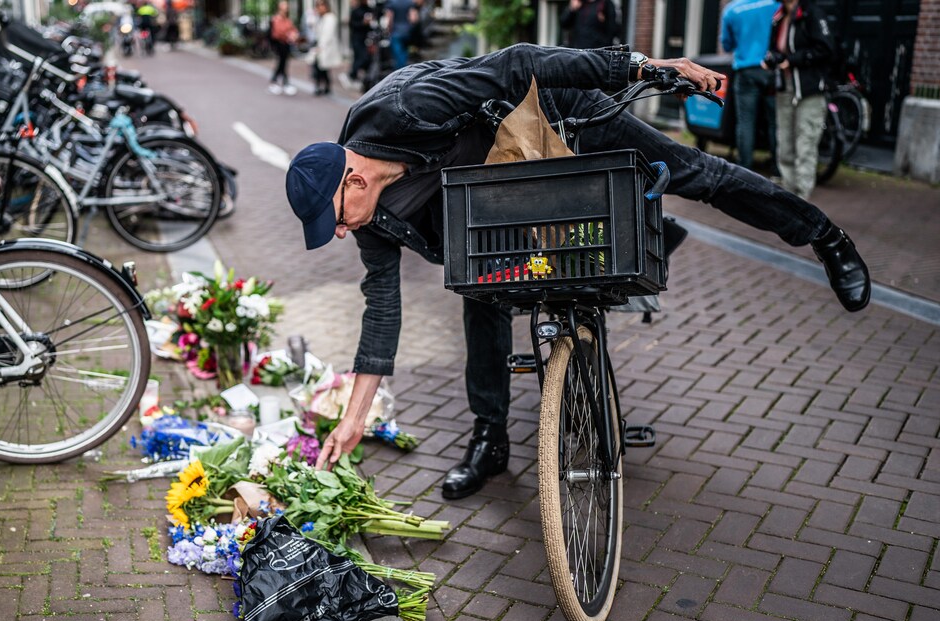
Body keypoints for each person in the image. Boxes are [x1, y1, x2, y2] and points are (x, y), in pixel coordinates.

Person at [284, 44, 870, 498]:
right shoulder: (371, 217)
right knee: (477, 285)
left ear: (353, 181)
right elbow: (382, 306)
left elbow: (517, 65)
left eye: (335, 220)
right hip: (498, 197)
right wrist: (354, 419)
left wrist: (639, 66)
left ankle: (823, 235)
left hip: (558, 118)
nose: (340, 232)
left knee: (691, 173)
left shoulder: (405, 107)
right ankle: (489, 440)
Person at [763, 0, 835, 199]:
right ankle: (789, 199)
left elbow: (826, 48)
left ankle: (802, 200)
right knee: (784, 145)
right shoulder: (778, 17)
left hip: (809, 90)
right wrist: (772, 60)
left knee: (805, 146)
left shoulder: (812, 13)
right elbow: (776, 49)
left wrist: (792, 61)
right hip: (784, 88)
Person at [721, 0, 780, 170]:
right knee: (775, 121)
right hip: (771, 70)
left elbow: (727, 45)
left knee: (746, 121)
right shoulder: (776, 4)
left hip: (745, 71)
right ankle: (777, 167)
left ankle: (744, 168)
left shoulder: (731, 10)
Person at [309, 0, 343, 96]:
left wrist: (320, 47)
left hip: (325, 48)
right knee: (320, 68)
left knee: (322, 68)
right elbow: (315, 31)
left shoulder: (330, 18)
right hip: (320, 47)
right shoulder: (320, 18)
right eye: (318, 6)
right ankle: (322, 86)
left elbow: (327, 35)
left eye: (321, 6)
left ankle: (323, 87)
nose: (319, 8)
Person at [268, 1, 299, 95]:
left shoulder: (287, 19)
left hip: (286, 44)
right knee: (282, 62)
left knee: (283, 62)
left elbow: (293, 29)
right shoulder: (276, 19)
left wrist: (294, 34)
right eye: (284, 5)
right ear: (279, 7)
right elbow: (276, 33)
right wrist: (288, 34)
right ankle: (279, 80)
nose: (286, 7)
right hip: (280, 44)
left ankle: (280, 81)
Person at [344, 0, 375, 89]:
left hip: (368, 39)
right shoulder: (355, 11)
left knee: (366, 58)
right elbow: (352, 24)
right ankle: (352, 75)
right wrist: (363, 23)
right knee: (360, 57)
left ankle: (362, 77)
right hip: (357, 38)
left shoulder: (370, 10)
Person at [385, 0, 414, 69]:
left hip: (396, 31)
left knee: (397, 54)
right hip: (406, 31)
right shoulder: (409, 2)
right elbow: (413, 18)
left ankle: (400, 71)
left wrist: (389, 29)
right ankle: (405, 70)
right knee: (404, 52)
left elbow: (390, 18)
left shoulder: (391, 3)